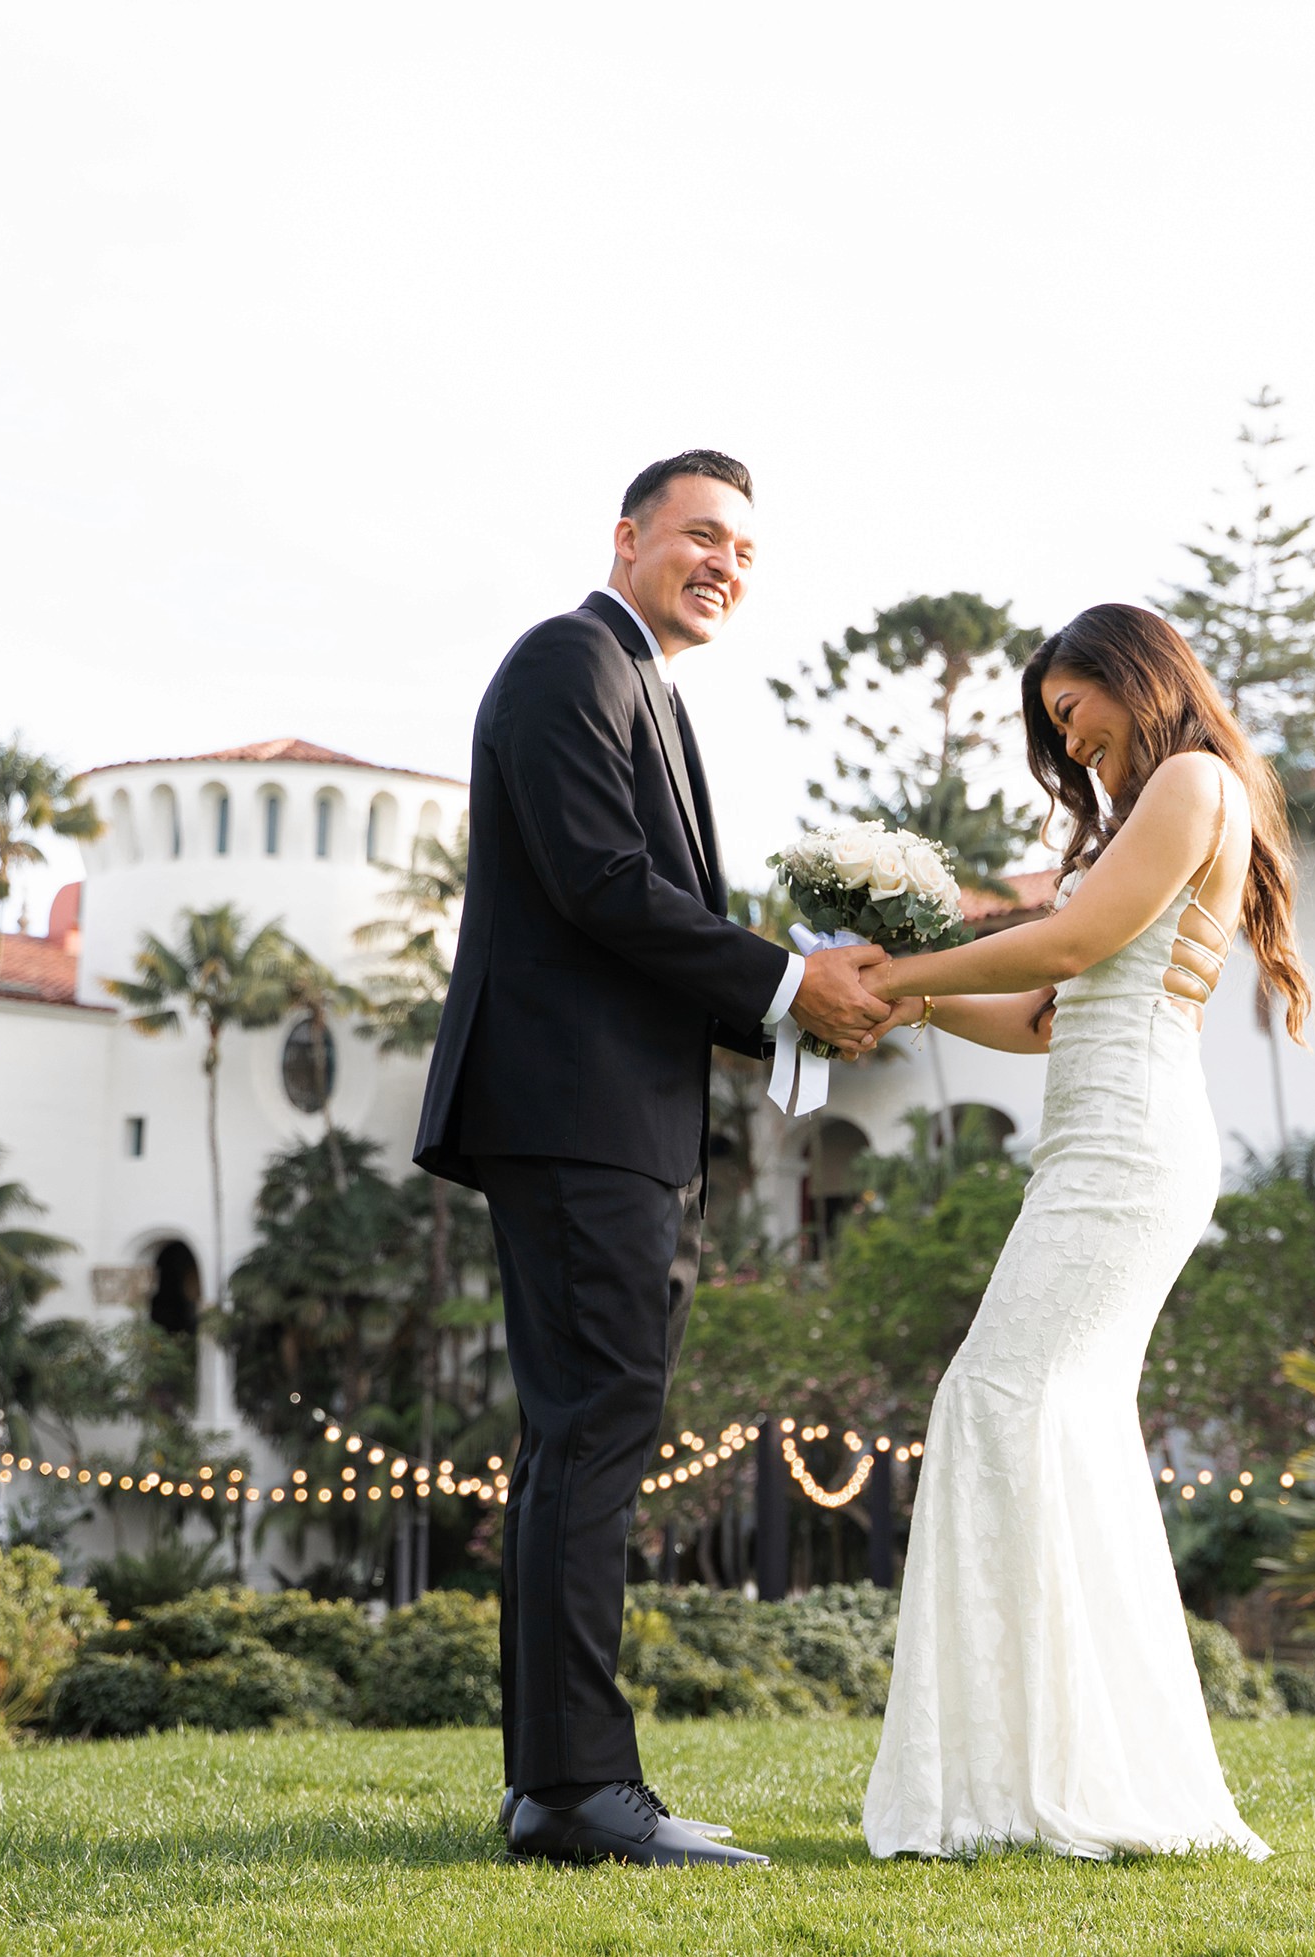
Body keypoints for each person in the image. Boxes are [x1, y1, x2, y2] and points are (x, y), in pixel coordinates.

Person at [413, 450, 896, 1868]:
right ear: (626, 537)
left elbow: (643, 922)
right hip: (571, 1119)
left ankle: (549, 1781)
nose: (722, 563)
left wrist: (812, 1011)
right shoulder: (570, 661)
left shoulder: (640, 684)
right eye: (698, 534)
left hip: (608, 1121)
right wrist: (790, 989)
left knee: (581, 1436)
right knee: (593, 1433)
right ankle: (576, 1793)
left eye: (743, 548)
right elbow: (603, 887)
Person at [853, 601, 1309, 1860]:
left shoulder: (1192, 782)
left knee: (995, 1398)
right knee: (1047, 1420)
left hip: (1127, 1146)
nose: (1070, 743)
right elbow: (1047, 1010)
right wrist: (918, 1009)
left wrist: (897, 968)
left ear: (1133, 676)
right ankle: (1051, 1771)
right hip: (1099, 1139)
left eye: (1072, 711)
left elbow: (1070, 937)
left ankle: (1030, 1779)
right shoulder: (1154, 808)